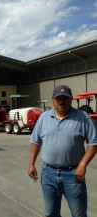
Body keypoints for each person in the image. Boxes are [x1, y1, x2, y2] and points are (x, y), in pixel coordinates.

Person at [28, 85, 97, 217]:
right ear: (53, 99)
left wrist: (82, 165)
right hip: (48, 173)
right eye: (58, 98)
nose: (61, 101)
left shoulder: (82, 117)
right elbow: (36, 141)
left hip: (73, 174)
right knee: (51, 213)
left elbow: (93, 143)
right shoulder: (44, 118)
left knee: (78, 214)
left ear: (71, 99)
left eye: (65, 98)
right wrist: (31, 164)